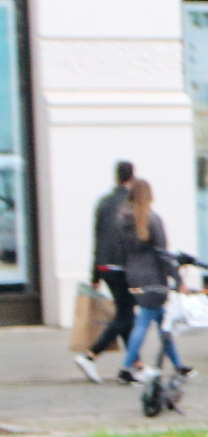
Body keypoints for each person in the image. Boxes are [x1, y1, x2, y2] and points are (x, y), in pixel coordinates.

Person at [112, 179, 195, 382]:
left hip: (134, 278)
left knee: (160, 320)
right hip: (154, 278)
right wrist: (178, 280)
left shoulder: (122, 220)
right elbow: (162, 254)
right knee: (147, 320)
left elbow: (120, 252)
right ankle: (126, 368)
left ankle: (178, 365)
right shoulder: (153, 220)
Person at [74, 160, 136, 382]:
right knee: (125, 314)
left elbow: (97, 237)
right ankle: (90, 355)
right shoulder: (131, 203)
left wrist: (95, 275)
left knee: (126, 313)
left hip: (104, 265)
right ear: (132, 177)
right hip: (122, 267)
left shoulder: (103, 202)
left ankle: (133, 365)